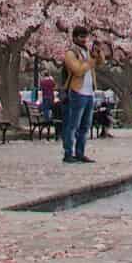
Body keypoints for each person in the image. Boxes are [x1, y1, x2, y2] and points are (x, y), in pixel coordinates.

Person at [58, 26, 98, 164]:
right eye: (81, 37)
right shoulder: (71, 53)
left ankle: (80, 153)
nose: (84, 39)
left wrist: (98, 54)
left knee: (85, 126)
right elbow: (77, 70)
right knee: (72, 125)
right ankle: (68, 153)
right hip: (77, 92)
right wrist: (90, 62)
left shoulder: (87, 52)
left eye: (85, 37)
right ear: (74, 38)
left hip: (89, 92)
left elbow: (100, 63)